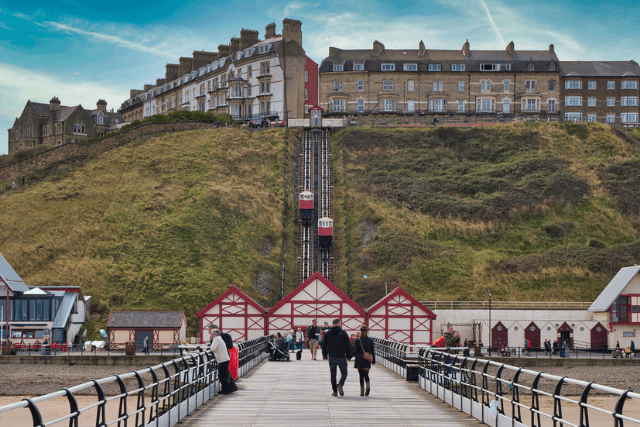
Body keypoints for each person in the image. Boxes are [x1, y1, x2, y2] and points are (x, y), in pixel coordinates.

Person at [322, 318, 352, 396]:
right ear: (339, 323)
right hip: (341, 356)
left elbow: (324, 345)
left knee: (333, 374)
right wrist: (349, 356)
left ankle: (335, 391)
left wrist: (324, 355)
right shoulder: (343, 333)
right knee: (344, 373)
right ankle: (340, 384)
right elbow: (348, 345)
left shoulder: (328, 333)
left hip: (332, 356)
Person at [210, 329, 237, 394]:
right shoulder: (220, 338)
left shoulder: (216, 339)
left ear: (214, 334)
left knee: (222, 375)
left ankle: (226, 390)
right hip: (225, 358)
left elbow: (212, 348)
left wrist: (210, 346)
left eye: (211, 334)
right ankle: (232, 388)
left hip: (222, 360)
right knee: (226, 374)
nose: (211, 336)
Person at [353, 325, 375, 397]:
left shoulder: (357, 340)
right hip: (367, 359)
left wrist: (349, 356)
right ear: (366, 331)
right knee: (366, 375)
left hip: (359, 359)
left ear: (360, 331)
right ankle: (368, 386)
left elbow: (355, 351)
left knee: (361, 376)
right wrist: (373, 360)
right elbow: (372, 351)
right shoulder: (370, 340)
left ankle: (362, 392)